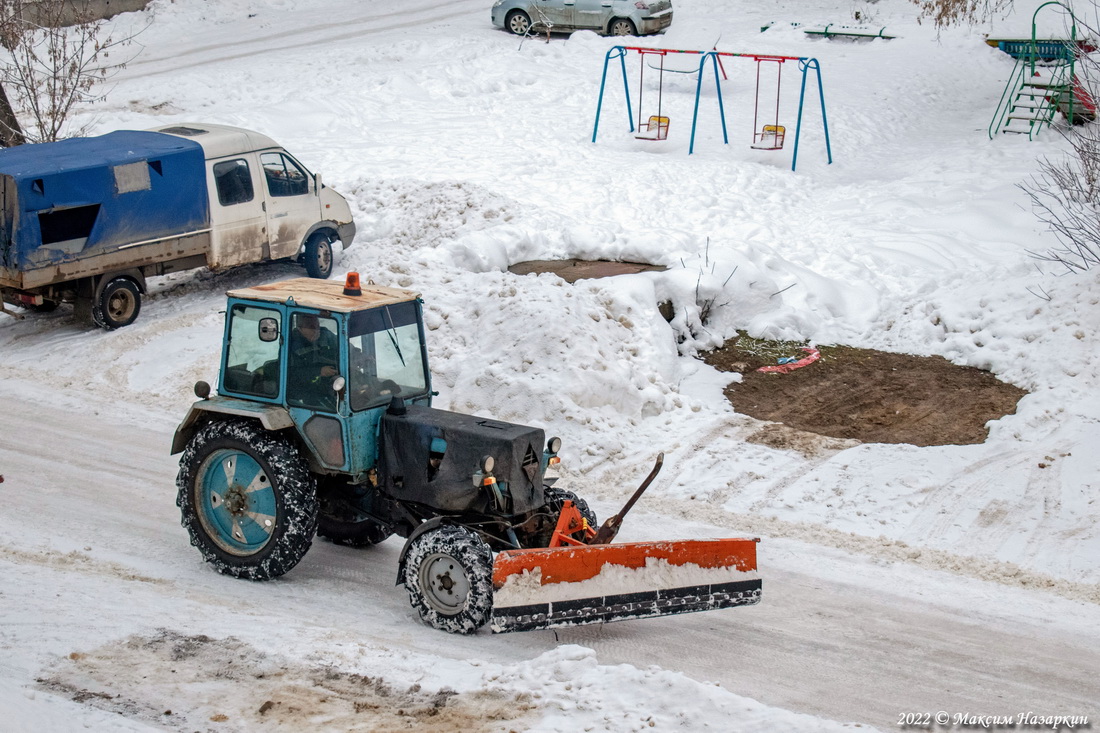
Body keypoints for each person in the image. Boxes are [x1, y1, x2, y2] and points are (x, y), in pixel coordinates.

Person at [288, 312, 339, 410]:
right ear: (300, 328)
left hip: (329, 384)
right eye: (311, 327)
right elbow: (291, 375)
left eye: (317, 326)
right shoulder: (290, 344)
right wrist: (319, 371)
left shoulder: (326, 335)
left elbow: (343, 347)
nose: (317, 330)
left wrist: (359, 356)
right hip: (304, 392)